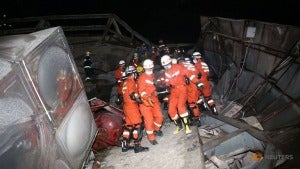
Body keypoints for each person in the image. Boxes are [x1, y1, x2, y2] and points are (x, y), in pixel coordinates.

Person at [160, 55, 204, 135]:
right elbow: (167, 81)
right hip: (173, 91)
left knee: (181, 107)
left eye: (167, 65)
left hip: (182, 89)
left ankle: (187, 127)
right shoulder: (166, 72)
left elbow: (190, 75)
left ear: (170, 62)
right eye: (164, 66)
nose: (166, 67)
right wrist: (165, 86)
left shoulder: (179, 67)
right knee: (171, 110)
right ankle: (179, 126)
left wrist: (198, 82)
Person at [121, 66, 149, 153]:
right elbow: (133, 95)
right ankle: (137, 146)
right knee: (138, 125)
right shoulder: (131, 81)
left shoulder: (125, 82)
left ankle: (125, 145)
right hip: (132, 107)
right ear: (133, 73)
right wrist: (141, 101)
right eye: (135, 73)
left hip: (126, 107)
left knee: (128, 126)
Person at [137, 59, 164, 145]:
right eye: (148, 67)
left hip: (154, 100)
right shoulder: (142, 78)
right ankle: (151, 137)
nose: (150, 68)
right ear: (145, 68)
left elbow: (156, 86)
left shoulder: (153, 76)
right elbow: (142, 92)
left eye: (151, 67)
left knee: (159, 117)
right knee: (149, 120)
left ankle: (156, 129)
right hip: (146, 102)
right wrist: (148, 95)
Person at [182, 57, 202, 126]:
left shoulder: (183, 67)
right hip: (196, 87)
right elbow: (199, 74)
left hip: (191, 88)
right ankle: (196, 116)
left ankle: (197, 119)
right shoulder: (191, 65)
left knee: (192, 104)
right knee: (195, 102)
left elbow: (188, 76)